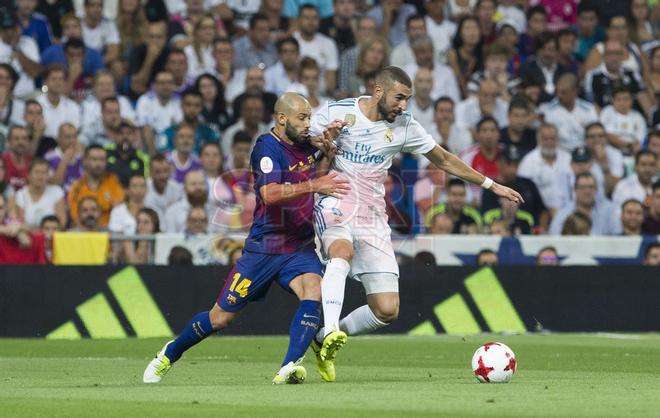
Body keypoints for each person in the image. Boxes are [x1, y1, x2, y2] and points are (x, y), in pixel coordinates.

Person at [310, 67, 522, 379]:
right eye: (399, 98)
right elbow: (302, 142)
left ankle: (321, 340)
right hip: (335, 201)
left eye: (407, 99)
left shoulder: (405, 126)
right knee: (340, 250)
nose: (404, 106)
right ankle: (329, 330)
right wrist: (320, 144)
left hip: (372, 216)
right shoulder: (336, 112)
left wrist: (492, 185)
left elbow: (445, 160)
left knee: (386, 310)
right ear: (378, 91)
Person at [143, 92, 348, 385]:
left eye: (309, 117)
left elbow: (318, 177)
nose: (307, 124)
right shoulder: (267, 148)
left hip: (299, 245)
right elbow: (270, 193)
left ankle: (288, 367)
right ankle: (169, 353)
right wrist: (315, 183)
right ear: (282, 118)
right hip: (264, 247)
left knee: (313, 292)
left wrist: (327, 152)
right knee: (220, 318)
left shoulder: (306, 145)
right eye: (302, 117)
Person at [481, 144, 549, 233]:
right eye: (509, 163)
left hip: (529, 233)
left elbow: (542, 211)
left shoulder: (528, 184)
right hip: (498, 233)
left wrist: (542, 230)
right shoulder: (490, 187)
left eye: (516, 163)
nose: (513, 168)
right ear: (499, 163)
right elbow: (487, 219)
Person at [67, 144, 124, 228]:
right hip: (85, 233)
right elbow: (76, 217)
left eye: (102, 160)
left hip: (110, 233)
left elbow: (119, 211)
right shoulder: (76, 187)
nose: (98, 164)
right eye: (94, 159)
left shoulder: (114, 183)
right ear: (85, 161)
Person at [549, 172, 621, 235]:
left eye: (591, 187)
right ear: (575, 190)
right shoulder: (564, 213)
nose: (587, 191)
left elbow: (618, 235)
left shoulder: (609, 209)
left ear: (596, 190)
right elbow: (555, 237)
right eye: (582, 187)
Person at [540, 73, 598, 151]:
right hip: (558, 152)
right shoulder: (549, 110)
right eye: (557, 92)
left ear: (575, 92)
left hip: (584, 152)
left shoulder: (588, 109)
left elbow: (594, 133)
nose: (559, 96)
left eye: (564, 93)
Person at [294, 5, 339, 96]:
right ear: (298, 20)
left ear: (319, 20)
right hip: (295, 93)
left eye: (314, 18)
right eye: (306, 18)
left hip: (321, 96)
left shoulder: (329, 44)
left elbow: (331, 81)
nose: (311, 22)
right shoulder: (291, 42)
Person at [11, 158, 66, 228]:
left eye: (44, 173)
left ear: (48, 175)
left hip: (53, 236)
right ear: (28, 175)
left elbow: (61, 223)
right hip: (29, 236)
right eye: (37, 172)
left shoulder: (57, 192)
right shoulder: (20, 195)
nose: (40, 177)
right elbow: (20, 224)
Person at [599, 86, 648, 155]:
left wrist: (633, 149)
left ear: (631, 101)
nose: (622, 103)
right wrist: (628, 145)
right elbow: (607, 135)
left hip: (633, 152)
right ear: (613, 100)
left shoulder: (638, 116)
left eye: (626, 99)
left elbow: (640, 141)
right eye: (619, 100)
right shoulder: (607, 111)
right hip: (611, 150)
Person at [2, 125, 32, 192]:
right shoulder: (1, 161)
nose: (21, 142)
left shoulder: (32, 163)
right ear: (9, 142)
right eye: (16, 138)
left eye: (24, 139)